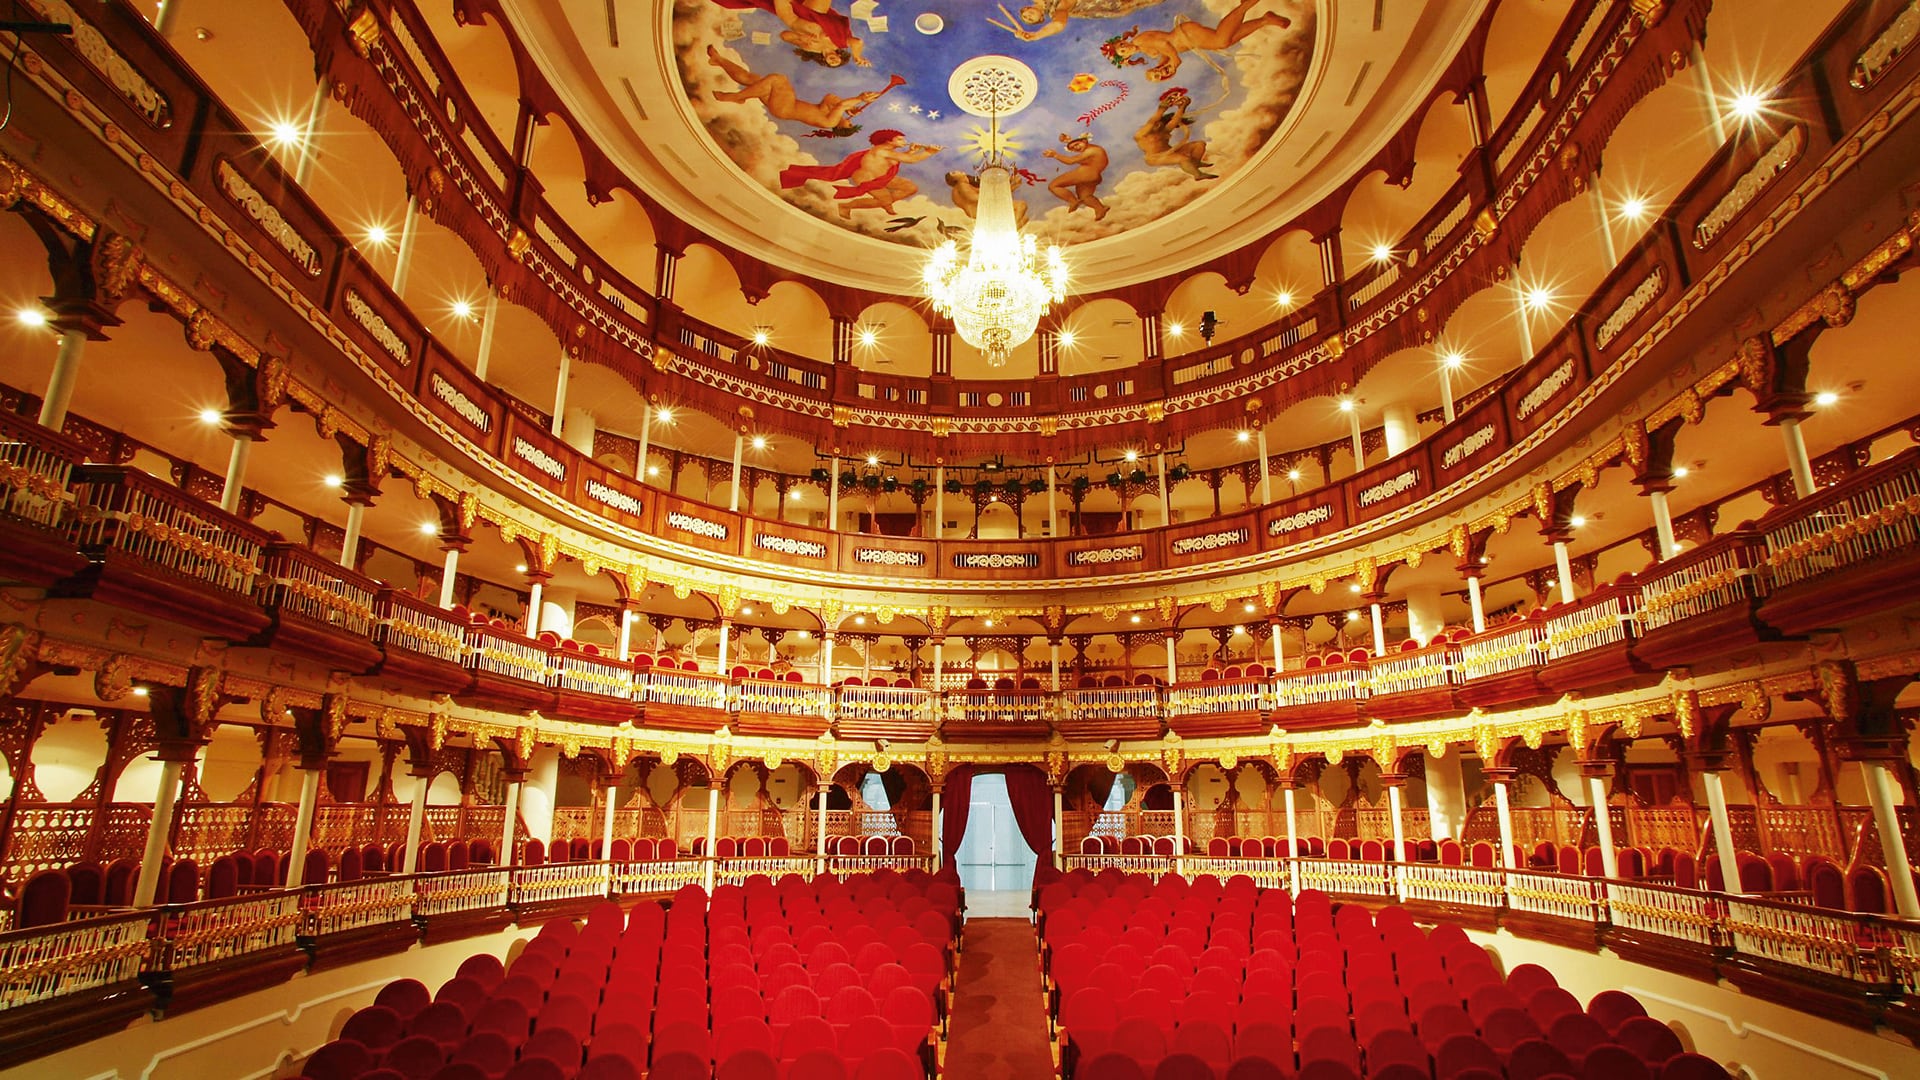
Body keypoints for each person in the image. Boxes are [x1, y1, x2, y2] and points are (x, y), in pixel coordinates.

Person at [705, 46, 903, 135]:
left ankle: (738, 97)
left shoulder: (830, 121)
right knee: (753, 80)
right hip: (783, 104)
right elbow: (831, 98)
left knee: (778, 79)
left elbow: (841, 104)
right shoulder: (830, 113)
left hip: (786, 107)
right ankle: (720, 61)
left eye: (849, 123)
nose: (849, 120)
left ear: (841, 127)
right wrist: (847, 106)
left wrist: (858, 98)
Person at [1101, 0, 1290, 81]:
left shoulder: (1141, 40)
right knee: (1226, 41)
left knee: (1221, 39)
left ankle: (1246, 6)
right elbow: (1165, 54)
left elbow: (1164, 44)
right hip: (1189, 40)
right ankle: (1265, 19)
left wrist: (1174, 60)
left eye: (1122, 45)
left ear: (1122, 40)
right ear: (1126, 59)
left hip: (1186, 34)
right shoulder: (1142, 49)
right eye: (1123, 51)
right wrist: (1162, 70)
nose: (1126, 48)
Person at [780, 130, 944, 217]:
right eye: (900, 139)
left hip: (881, 177)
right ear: (889, 140)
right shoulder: (883, 150)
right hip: (868, 178)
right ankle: (847, 206)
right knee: (884, 199)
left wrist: (909, 151)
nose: (904, 141)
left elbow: (895, 161)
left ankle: (884, 201)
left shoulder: (888, 151)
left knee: (911, 187)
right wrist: (929, 152)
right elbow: (911, 160)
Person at [712, 0, 870, 68]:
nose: (833, 61)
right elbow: (857, 42)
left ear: (825, 61)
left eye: (831, 64)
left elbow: (784, 35)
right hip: (813, 13)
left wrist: (802, 39)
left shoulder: (811, 49)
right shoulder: (838, 42)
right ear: (841, 56)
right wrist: (857, 57)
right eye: (837, 62)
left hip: (793, 17)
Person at [1134, 87, 1213, 179]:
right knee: (1183, 158)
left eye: (1160, 123)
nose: (1158, 125)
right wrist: (1162, 108)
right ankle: (1198, 175)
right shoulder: (1141, 135)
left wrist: (1182, 107)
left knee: (1199, 144)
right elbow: (1152, 121)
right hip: (1155, 157)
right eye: (1156, 124)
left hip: (1171, 152)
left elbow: (1175, 120)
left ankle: (1195, 164)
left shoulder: (1164, 131)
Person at [1042, 133, 1111, 219]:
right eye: (1073, 148)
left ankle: (1073, 201)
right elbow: (1081, 154)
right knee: (1085, 197)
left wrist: (1055, 155)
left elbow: (1071, 161)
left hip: (1085, 173)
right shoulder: (1093, 150)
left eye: (1076, 145)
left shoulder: (1092, 150)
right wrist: (1069, 141)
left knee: (1053, 186)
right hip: (1094, 176)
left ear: (1084, 141)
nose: (1076, 148)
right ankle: (1100, 208)